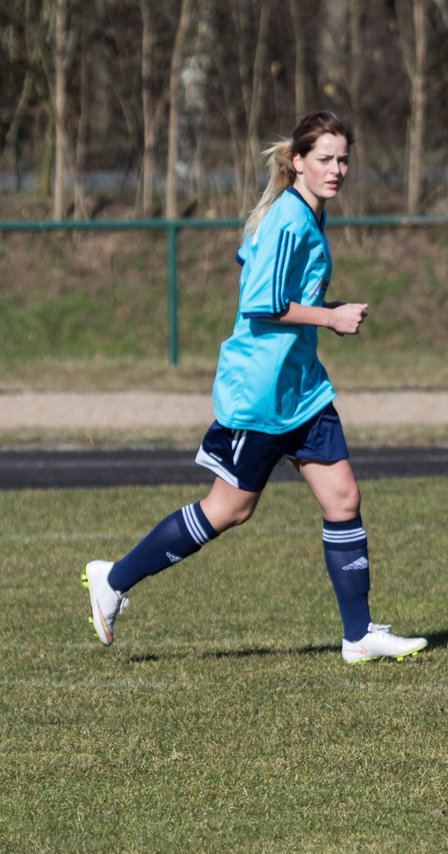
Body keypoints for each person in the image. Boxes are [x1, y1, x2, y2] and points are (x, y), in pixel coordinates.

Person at [82, 111, 426, 665]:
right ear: (299, 162)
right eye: (325, 159)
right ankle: (114, 579)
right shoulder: (289, 219)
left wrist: (322, 310)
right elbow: (257, 303)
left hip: (302, 388)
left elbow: (258, 268)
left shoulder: (306, 213)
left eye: (343, 159)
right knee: (230, 510)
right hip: (260, 392)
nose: (337, 169)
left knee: (343, 499)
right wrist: (328, 318)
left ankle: (358, 635)